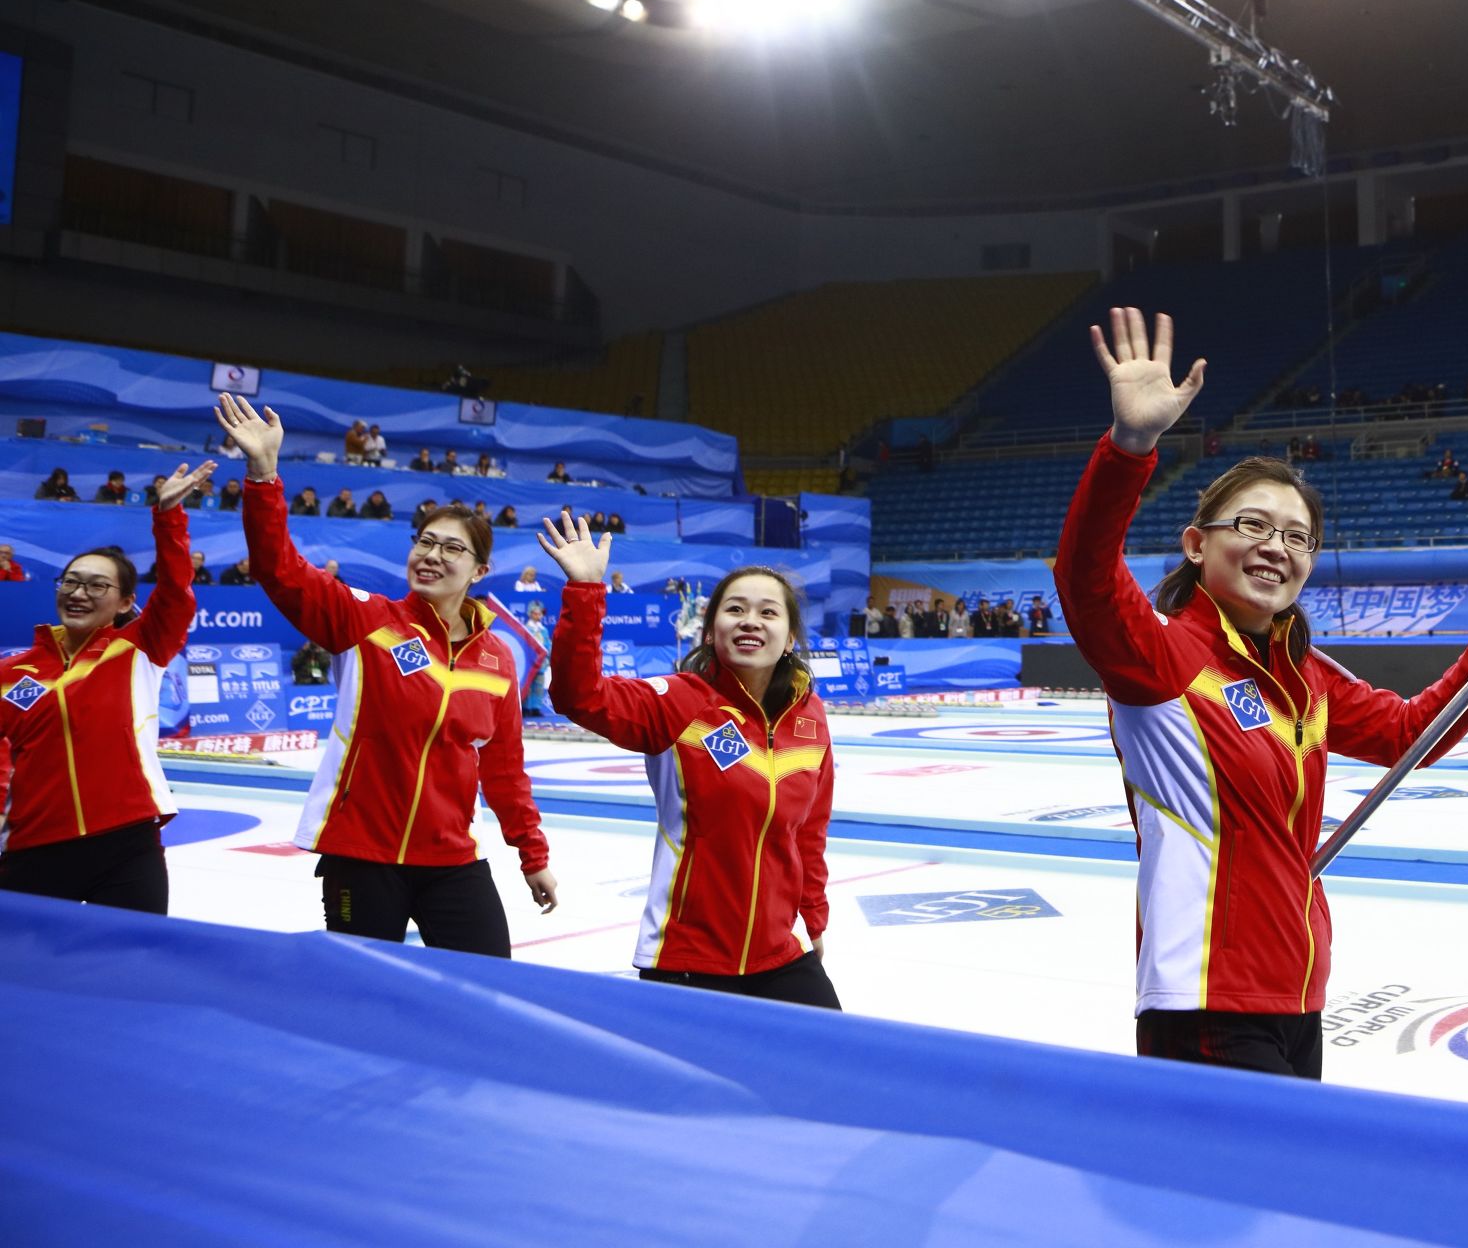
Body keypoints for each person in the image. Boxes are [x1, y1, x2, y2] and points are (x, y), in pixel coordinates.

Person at [1056, 308, 1468, 1080]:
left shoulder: (1309, 677)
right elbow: (1085, 575)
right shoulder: (1160, 658)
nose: (1275, 548)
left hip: (1298, 994)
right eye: (1252, 525)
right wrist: (1130, 447)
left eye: (1297, 538)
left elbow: (1408, 736)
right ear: (1197, 544)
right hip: (1205, 1002)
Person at [213, 393, 556, 955]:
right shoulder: (368, 619)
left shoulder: (496, 661)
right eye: (424, 542)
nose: (432, 555)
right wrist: (263, 474)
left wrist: (532, 855)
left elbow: (505, 770)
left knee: (487, 984)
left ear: (480, 570)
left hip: (451, 858)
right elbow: (280, 569)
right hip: (362, 856)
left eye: (452, 548)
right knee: (360, 1002)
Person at [540, 515, 840, 1006]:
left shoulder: (809, 717)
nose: (750, 620)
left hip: (782, 955)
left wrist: (815, 917)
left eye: (768, 613)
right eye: (735, 609)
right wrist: (586, 590)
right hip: (687, 960)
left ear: (789, 639)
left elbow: (809, 832)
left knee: (835, 1069)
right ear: (710, 631)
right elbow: (580, 697)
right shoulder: (678, 703)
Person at [0, 461, 214, 913]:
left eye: (97, 586)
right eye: (71, 582)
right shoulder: (13, 672)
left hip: (127, 847)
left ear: (125, 602)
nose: (79, 593)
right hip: (33, 848)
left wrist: (169, 514)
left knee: (131, 973)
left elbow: (176, 593)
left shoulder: (139, 649)